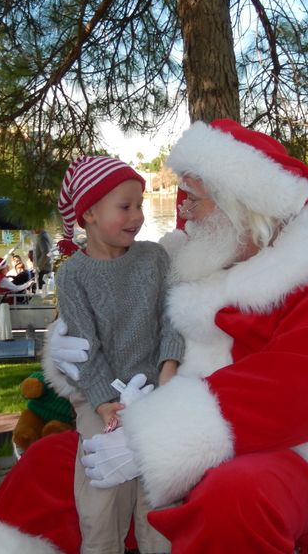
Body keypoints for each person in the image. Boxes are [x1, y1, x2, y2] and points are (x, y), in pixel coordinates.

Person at [0, 119, 308, 553]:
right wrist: (67, 351)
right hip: (144, 413)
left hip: (290, 446)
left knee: (234, 497)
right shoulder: (176, 260)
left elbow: (301, 387)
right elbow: (119, 328)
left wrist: (153, 441)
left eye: (194, 198)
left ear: (240, 204)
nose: (183, 211)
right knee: (45, 466)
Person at [54, 155, 183, 554]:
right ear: (88, 213)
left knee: (158, 496)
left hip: (157, 389)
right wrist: (106, 404)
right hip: (100, 396)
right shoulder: (72, 275)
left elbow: (171, 318)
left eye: (140, 205)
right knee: (102, 491)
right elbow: (82, 346)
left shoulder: (154, 259)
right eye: (125, 207)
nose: (137, 216)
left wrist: (168, 373)